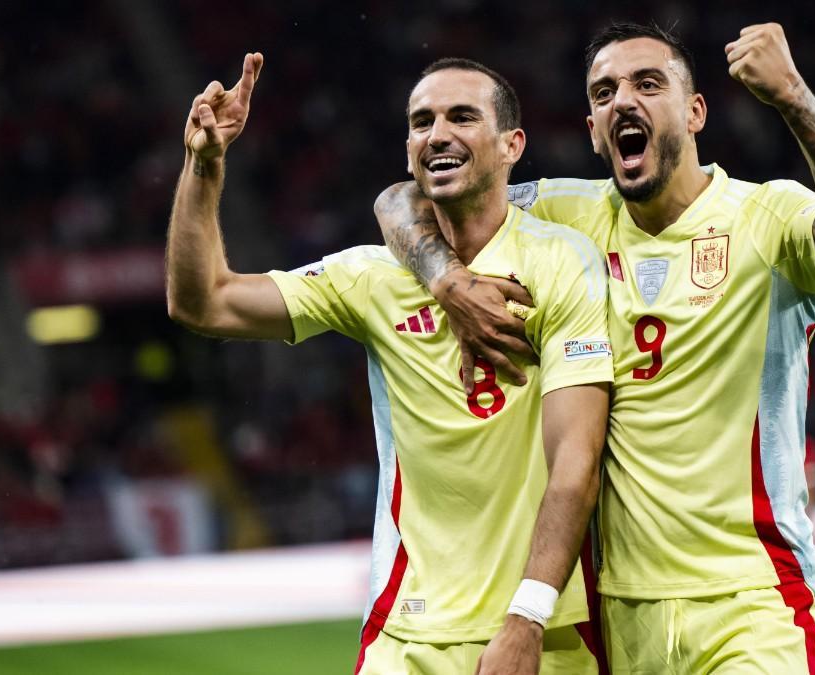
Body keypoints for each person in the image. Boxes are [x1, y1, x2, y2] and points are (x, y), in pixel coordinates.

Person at [374, 22, 815, 674]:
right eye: (604, 91)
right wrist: (446, 279)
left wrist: (791, 94)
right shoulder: (567, 217)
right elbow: (407, 198)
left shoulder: (768, 218)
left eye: (648, 84)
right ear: (594, 129)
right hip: (623, 612)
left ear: (695, 110)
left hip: (753, 596)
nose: (623, 100)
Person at [165, 52, 615, 674]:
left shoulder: (563, 262)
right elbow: (203, 303)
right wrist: (204, 165)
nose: (438, 134)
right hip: (407, 631)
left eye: (462, 117)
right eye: (422, 121)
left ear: (512, 145)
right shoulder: (371, 276)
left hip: (545, 632)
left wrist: (527, 618)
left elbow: (575, 461)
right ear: (409, 152)